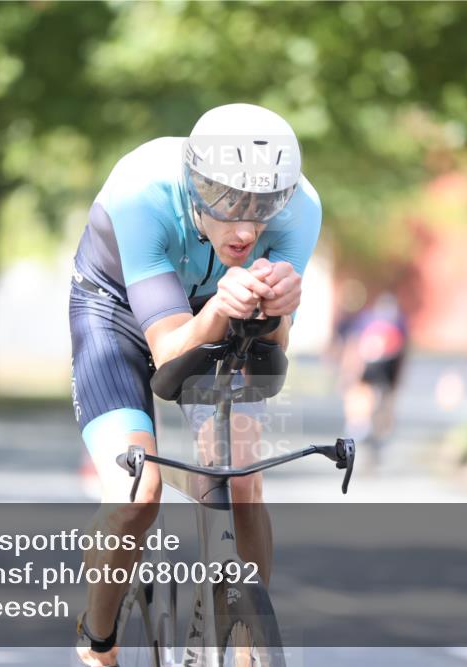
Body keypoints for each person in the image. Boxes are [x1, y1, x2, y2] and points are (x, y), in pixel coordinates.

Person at [69, 103, 321, 666]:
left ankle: (246, 633)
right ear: (196, 185)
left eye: (262, 208)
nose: (246, 227)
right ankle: (98, 641)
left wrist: (279, 312)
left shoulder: (300, 208)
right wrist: (217, 314)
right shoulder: (143, 192)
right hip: (115, 307)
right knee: (138, 494)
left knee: (241, 476)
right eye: (230, 202)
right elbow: (167, 355)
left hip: (217, 305)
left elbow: (274, 351)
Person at [336, 292, 408, 458]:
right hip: (386, 366)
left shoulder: (366, 319)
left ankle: (360, 428)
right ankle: (377, 433)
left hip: (371, 364)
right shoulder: (398, 322)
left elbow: (354, 346)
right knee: (383, 400)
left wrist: (348, 373)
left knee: (362, 394)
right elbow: (403, 352)